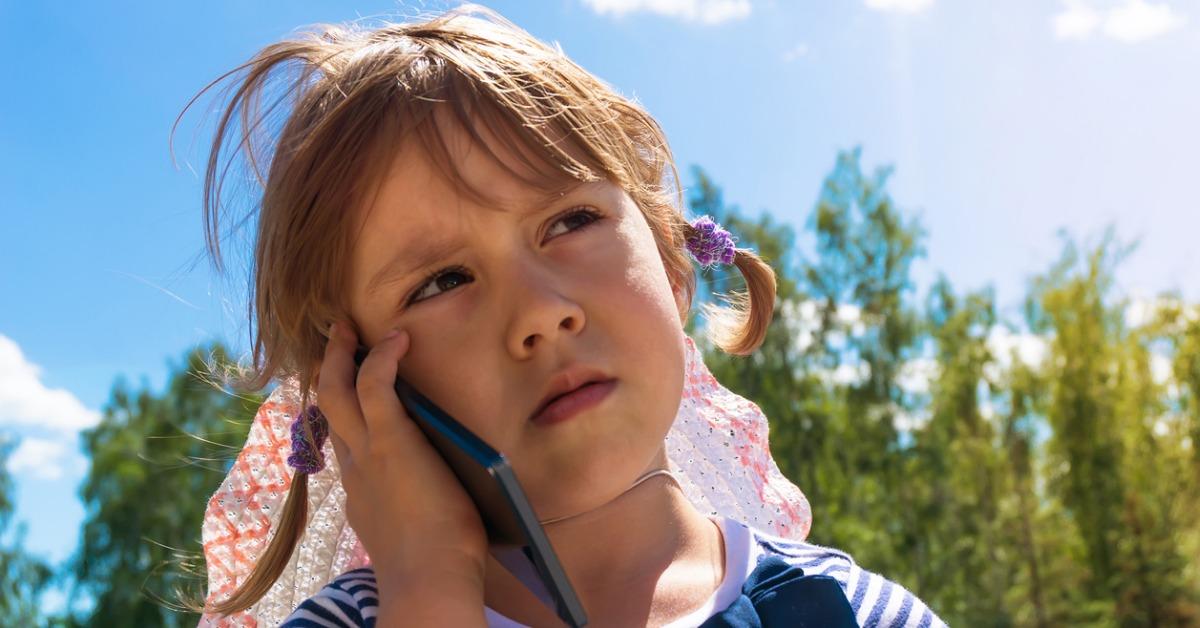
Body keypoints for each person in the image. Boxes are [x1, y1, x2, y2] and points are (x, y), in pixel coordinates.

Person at [184, 4, 948, 626]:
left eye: (571, 221)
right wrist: (430, 600)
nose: (541, 315)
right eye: (443, 280)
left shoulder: (853, 613)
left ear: (672, 261)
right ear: (353, 385)